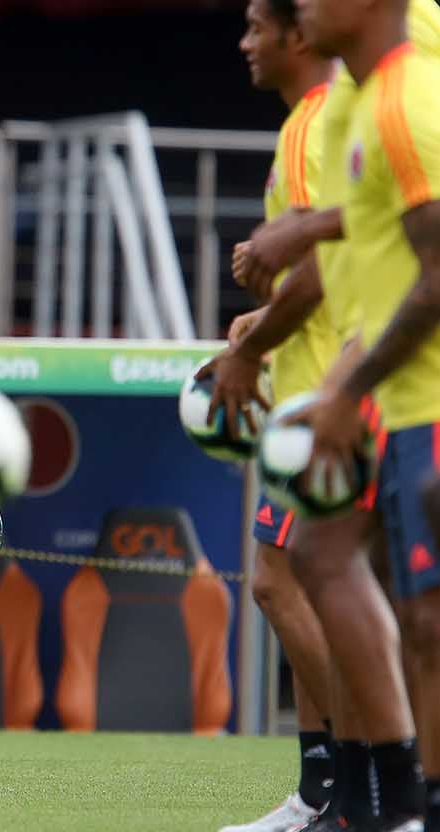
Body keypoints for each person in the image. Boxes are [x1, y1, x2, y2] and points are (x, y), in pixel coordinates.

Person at [291, 0, 440, 828]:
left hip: (423, 398)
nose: (301, 6)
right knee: (404, 608)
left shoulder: (405, 99)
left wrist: (348, 384)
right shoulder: (362, 96)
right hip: (391, 393)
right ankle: (386, 803)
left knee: (420, 615)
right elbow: (376, 246)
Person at [212, 4, 339, 830]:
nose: (244, 42)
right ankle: (332, 791)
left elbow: (327, 266)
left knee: (284, 584)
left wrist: (251, 353)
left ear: (298, 35)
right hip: (318, 389)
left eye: (258, 25)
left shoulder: (312, 124)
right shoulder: (317, 120)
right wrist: (260, 325)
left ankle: (352, 784)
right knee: (305, 590)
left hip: (326, 399)